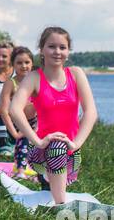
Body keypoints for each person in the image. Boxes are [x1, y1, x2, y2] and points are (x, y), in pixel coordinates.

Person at [9, 26, 98, 205]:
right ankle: (60, 205)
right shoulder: (34, 78)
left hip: (71, 153)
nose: (57, 51)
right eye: (51, 46)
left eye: (62, 47)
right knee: (56, 145)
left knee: (61, 147)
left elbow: (91, 112)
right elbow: (14, 109)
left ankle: (51, 184)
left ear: (68, 51)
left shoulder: (76, 74)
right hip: (40, 154)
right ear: (42, 49)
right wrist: (38, 141)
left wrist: (76, 143)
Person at [0, 45, 37, 171]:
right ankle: (21, 171)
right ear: (13, 65)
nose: (24, 66)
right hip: (18, 124)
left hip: (36, 123)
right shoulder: (10, 83)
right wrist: (14, 133)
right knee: (24, 140)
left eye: (27, 62)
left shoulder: (37, 81)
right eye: (19, 63)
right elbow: (4, 111)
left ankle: (43, 169)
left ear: (32, 63)